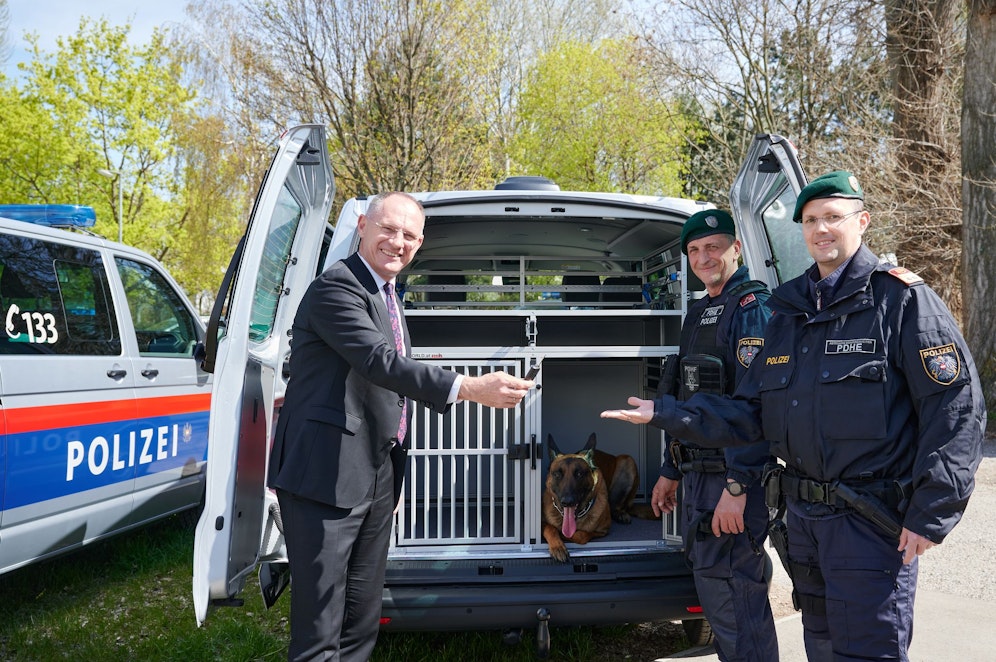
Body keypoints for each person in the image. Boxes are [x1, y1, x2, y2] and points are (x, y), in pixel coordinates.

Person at [602, 171, 986, 661]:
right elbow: (752, 412)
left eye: (833, 218)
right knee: (821, 646)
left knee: (867, 651)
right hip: (805, 523)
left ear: (862, 221)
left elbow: (955, 408)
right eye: (810, 220)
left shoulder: (901, 300)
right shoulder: (791, 313)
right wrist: (667, 412)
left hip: (870, 523)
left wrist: (931, 513)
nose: (821, 230)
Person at [268, 191, 534, 661]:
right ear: (363, 226)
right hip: (323, 478)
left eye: (409, 235)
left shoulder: (386, 293)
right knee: (320, 625)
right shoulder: (337, 289)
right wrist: (470, 388)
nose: (397, 242)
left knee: (361, 617)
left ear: (420, 242)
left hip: (374, 473)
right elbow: (380, 362)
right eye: (389, 229)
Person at [653, 209, 779, 661]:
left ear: (736, 250)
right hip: (699, 478)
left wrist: (738, 486)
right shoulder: (700, 311)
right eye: (694, 251)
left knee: (736, 598)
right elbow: (688, 399)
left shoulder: (752, 308)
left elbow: (758, 406)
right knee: (719, 592)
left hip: (732, 480)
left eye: (713, 248)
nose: (704, 258)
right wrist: (670, 470)